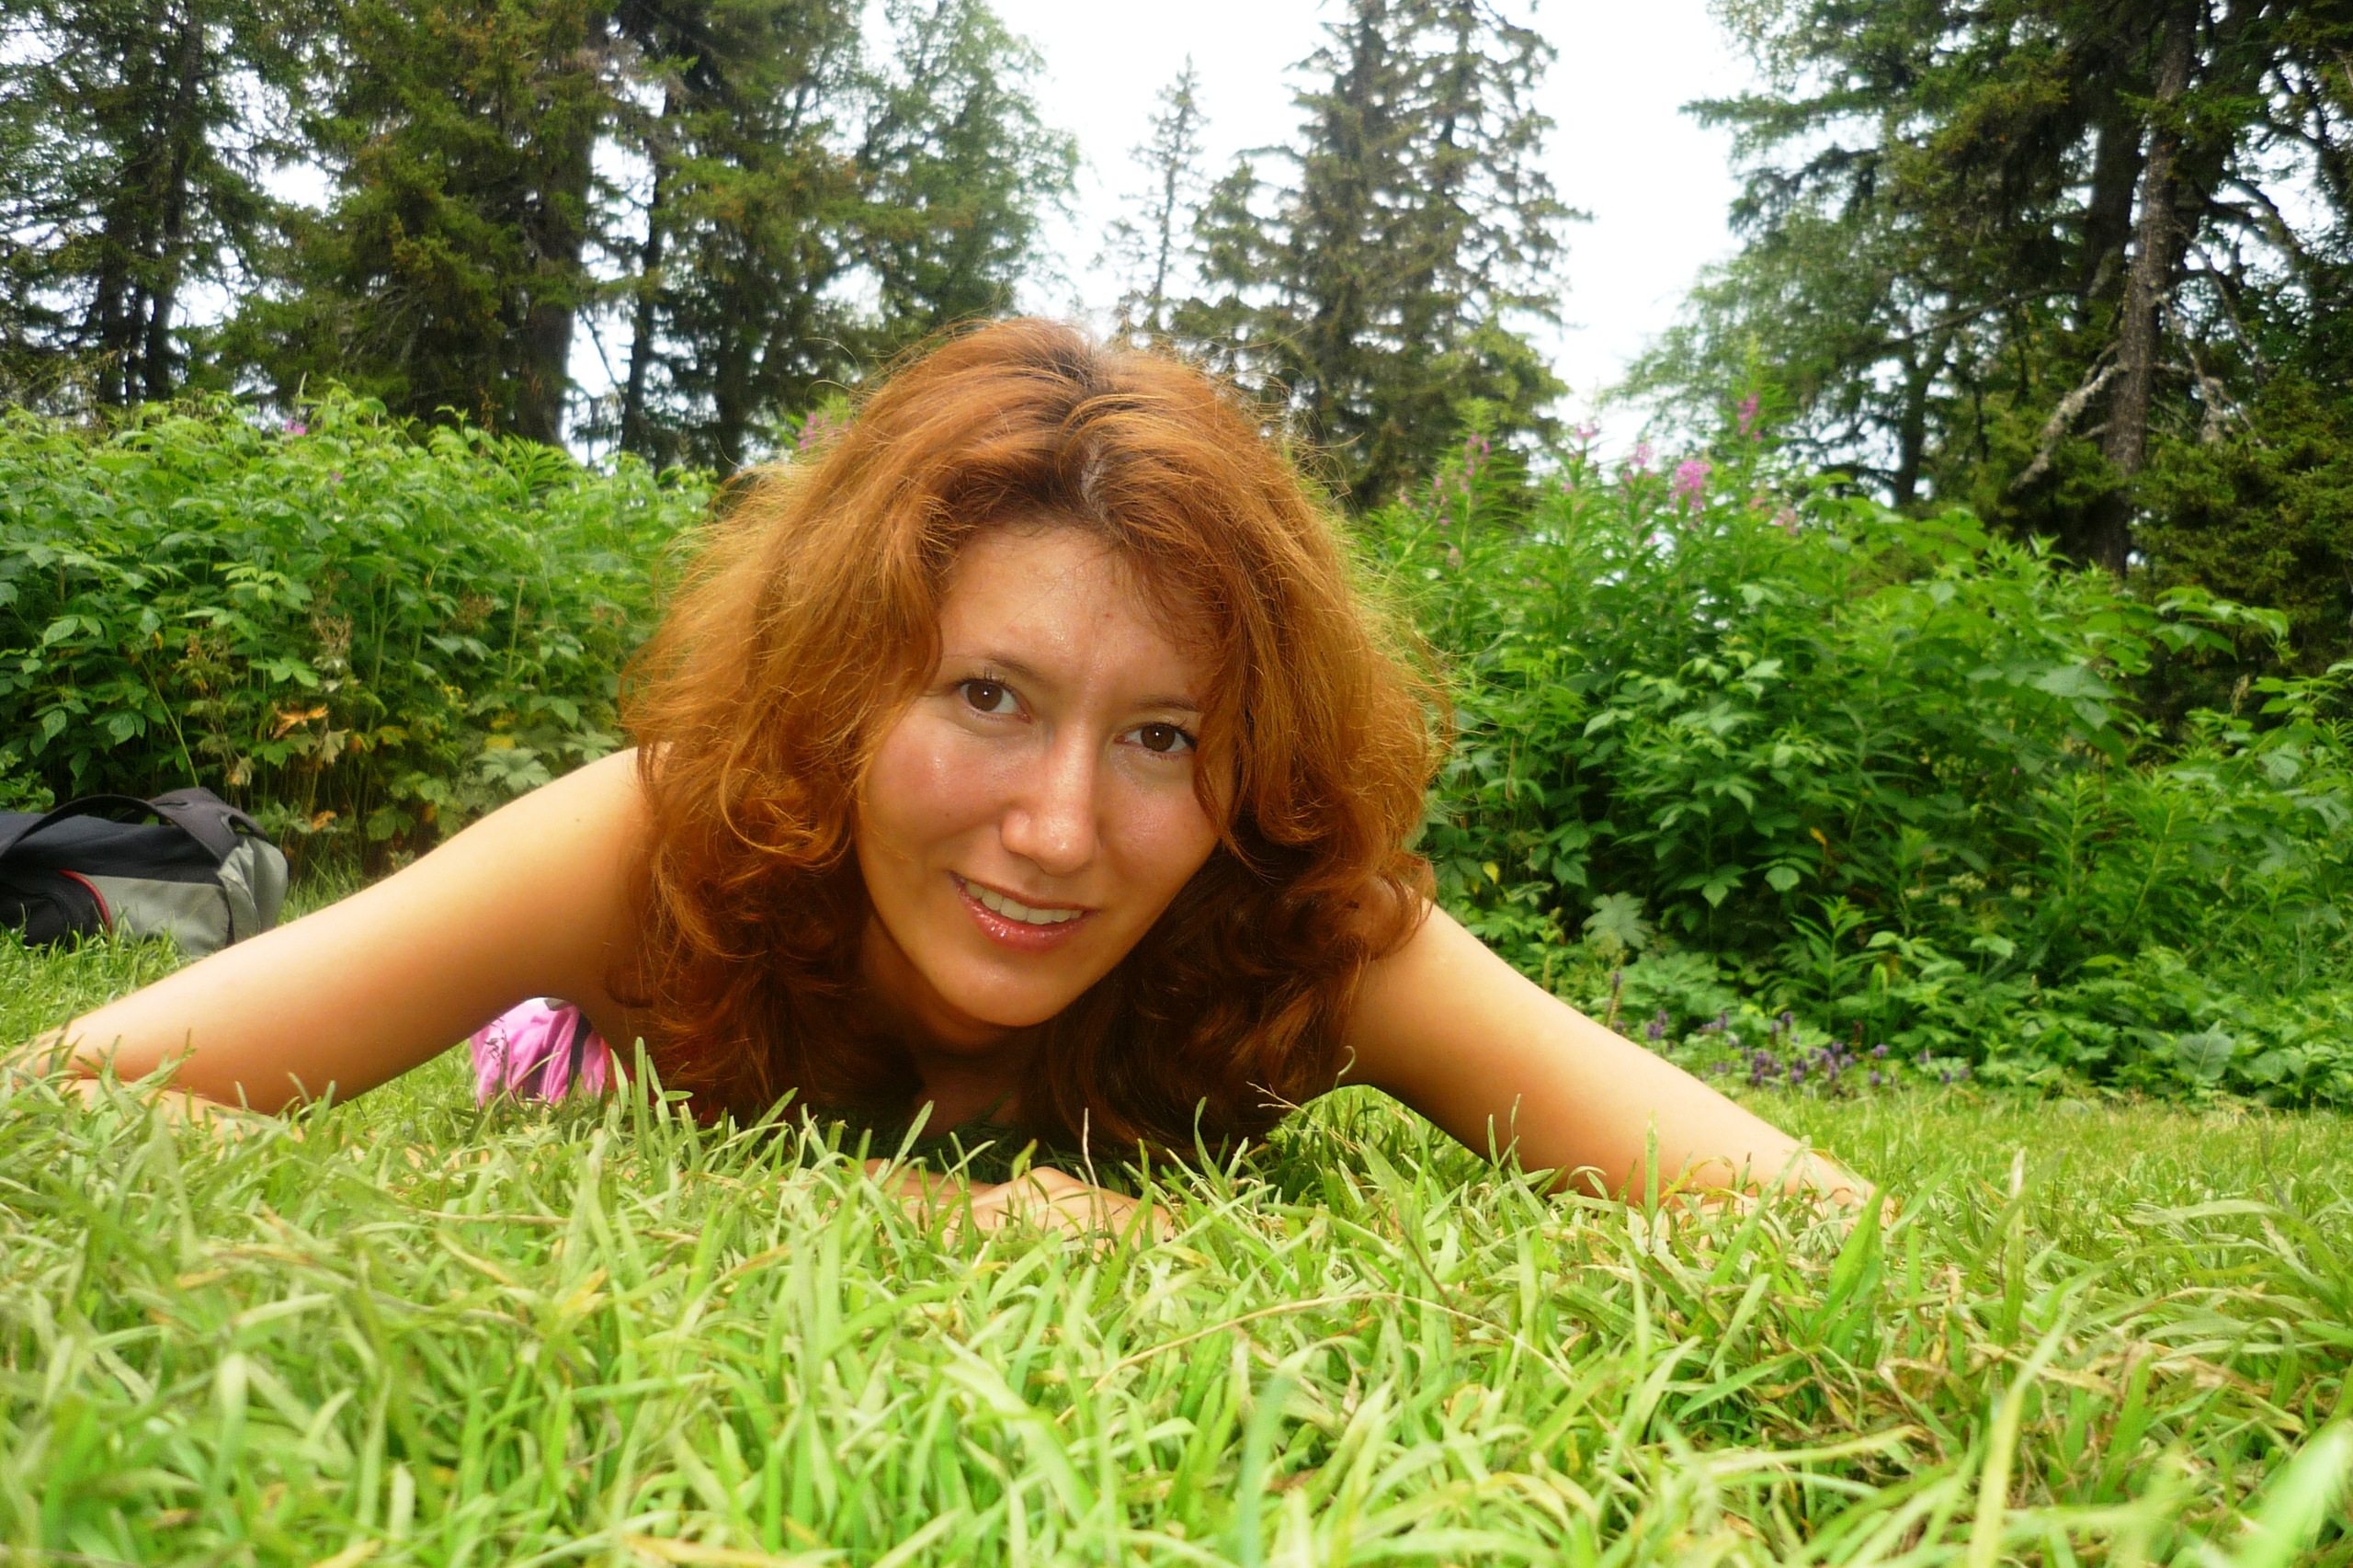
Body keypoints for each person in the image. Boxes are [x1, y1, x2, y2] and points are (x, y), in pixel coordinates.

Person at [27, 320, 1851, 1230]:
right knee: (538, 1057)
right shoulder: (661, 836)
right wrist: (930, 1212)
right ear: (838, 686)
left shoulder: (1300, 921)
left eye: (1162, 737)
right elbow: (71, 1095)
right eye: (986, 694)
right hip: (626, 1034)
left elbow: (1806, 1221)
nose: (1058, 830)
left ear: (1252, 768)